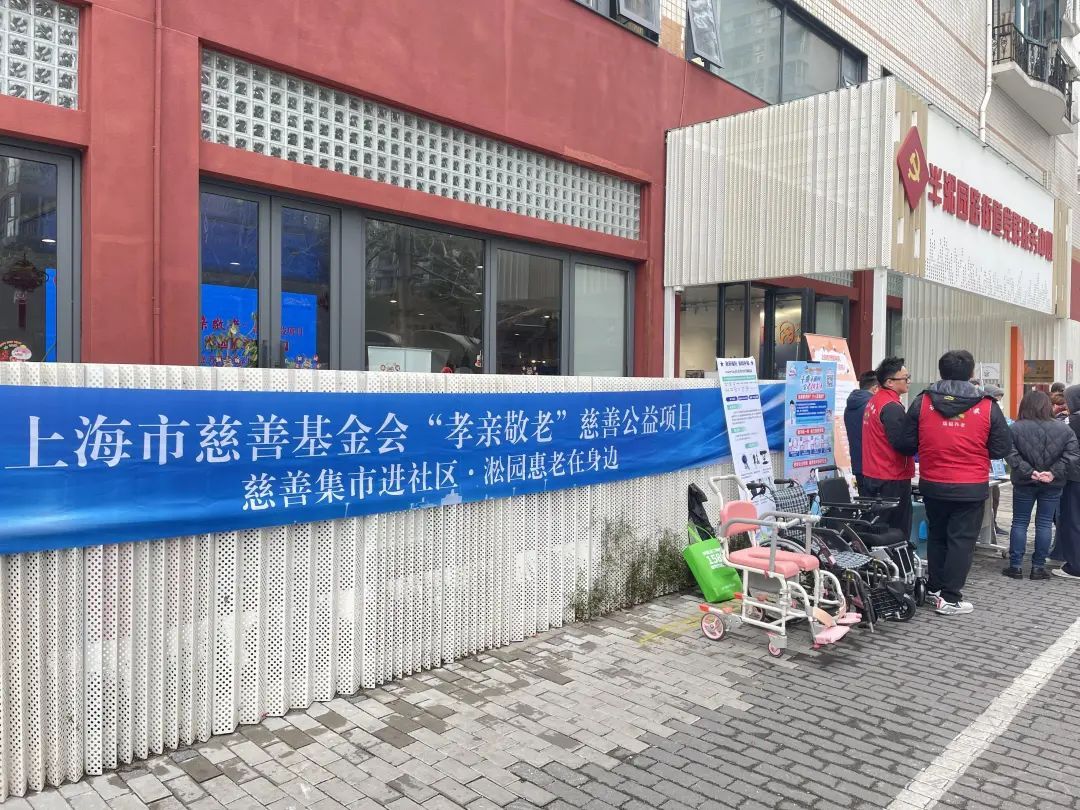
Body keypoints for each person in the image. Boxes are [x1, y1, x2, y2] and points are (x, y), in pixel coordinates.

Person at [905, 350, 1012, 615]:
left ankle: (934, 588)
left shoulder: (922, 401)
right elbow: (1001, 447)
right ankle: (950, 598)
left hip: (932, 482)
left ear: (941, 372)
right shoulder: (988, 406)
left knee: (937, 535)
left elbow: (907, 440)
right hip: (970, 485)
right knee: (961, 541)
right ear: (971, 373)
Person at [1002, 391, 1078, 580]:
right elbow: (1072, 455)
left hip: (1024, 482)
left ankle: (1015, 566)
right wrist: (1053, 472)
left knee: (1020, 522)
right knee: (1044, 523)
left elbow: (1009, 453)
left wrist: (1029, 471)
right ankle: (1038, 567)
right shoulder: (1064, 429)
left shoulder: (1015, 428)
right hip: (1052, 483)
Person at [860, 357, 916, 539]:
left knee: (877, 526)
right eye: (905, 378)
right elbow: (902, 444)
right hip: (891, 476)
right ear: (890, 382)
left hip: (874, 473)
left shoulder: (874, 401)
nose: (908, 381)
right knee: (896, 530)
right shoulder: (891, 407)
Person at [1053, 384, 1080, 581]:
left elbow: (1057, 437)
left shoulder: (1074, 420)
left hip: (1075, 477)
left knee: (1073, 520)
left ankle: (1075, 566)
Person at [844, 371, 879, 492]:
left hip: (858, 463)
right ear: (875, 388)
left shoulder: (849, 406)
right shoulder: (871, 406)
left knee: (865, 500)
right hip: (874, 466)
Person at [983, 384, 1008, 536]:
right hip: (983, 463)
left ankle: (993, 523)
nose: (999, 403)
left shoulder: (997, 414)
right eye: (997, 399)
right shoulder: (984, 413)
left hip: (994, 464)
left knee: (995, 496)